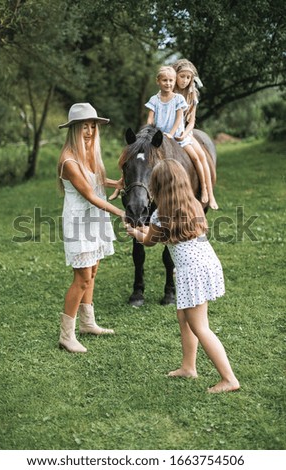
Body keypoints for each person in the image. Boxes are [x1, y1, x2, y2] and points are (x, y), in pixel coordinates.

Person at [126, 159, 240, 393]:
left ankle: (229, 379)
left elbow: (149, 241)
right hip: (205, 264)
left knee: (200, 327)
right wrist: (143, 230)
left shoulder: (160, 214)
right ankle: (189, 367)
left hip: (192, 273)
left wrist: (133, 230)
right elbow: (162, 234)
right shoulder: (192, 204)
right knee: (183, 316)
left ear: (157, 187)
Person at [57, 102, 124, 353]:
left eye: (92, 126)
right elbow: (89, 195)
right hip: (79, 222)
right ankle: (67, 335)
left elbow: (94, 181)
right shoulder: (69, 160)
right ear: (73, 129)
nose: (89, 131)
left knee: (93, 271)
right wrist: (120, 213)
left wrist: (114, 182)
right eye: (84, 126)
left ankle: (88, 323)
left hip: (94, 218)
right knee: (82, 278)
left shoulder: (88, 152)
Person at [172, 59, 219, 210]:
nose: (185, 80)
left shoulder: (192, 95)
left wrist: (185, 134)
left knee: (200, 156)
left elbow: (191, 122)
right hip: (167, 131)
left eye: (188, 77)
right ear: (175, 75)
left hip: (184, 131)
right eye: (182, 76)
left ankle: (207, 191)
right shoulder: (168, 91)